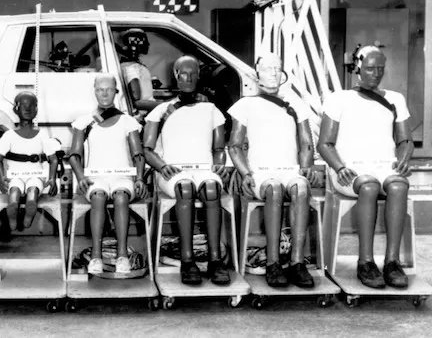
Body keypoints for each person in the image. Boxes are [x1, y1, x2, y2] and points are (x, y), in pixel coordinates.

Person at [317, 45, 413, 289]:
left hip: (384, 166)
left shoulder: (395, 99)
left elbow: (405, 140)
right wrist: (339, 167)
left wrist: (403, 159)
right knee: (369, 186)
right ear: (358, 67)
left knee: (399, 186)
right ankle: (365, 262)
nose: (376, 74)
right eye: (370, 68)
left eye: (380, 68)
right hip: (350, 169)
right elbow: (324, 144)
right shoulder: (339, 99)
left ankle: (392, 262)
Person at [228, 53, 318, 288]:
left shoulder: (295, 103)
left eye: (277, 68)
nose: (273, 73)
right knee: (274, 189)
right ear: (257, 74)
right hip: (261, 172)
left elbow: (306, 143)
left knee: (301, 188)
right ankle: (273, 263)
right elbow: (234, 146)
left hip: (289, 169)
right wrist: (246, 173)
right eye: (268, 69)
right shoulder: (245, 105)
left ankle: (297, 263)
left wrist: (306, 167)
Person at [143, 55, 230, 285]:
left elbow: (219, 148)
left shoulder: (211, 109)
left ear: (199, 76)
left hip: (204, 169)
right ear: (176, 75)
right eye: (184, 74)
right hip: (172, 172)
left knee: (211, 188)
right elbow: (147, 150)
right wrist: (162, 166)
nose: (188, 78)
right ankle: (187, 260)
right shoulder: (161, 110)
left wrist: (219, 164)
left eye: (193, 74)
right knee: (185, 188)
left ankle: (215, 260)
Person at [69, 74, 148, 274]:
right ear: (94, 92)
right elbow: (74, 156)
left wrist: (139, 178)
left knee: (121, 197)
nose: (104, 94)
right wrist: (81, 177)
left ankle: (122, 255)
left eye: (109, 89)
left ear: (116, 91)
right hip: (96, 178)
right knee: (98, 196)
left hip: (122, 177)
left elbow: (138, 154)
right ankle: (96, 256)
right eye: (100, 89)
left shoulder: (128, 121)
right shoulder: (84, 122)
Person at [0, 92, 59, 230]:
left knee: (33, 191)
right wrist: (1, 178)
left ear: (36, 109)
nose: (27, 109)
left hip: (36, 175)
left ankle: (29, 213)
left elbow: (53, 159)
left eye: (31, 105)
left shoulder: (42, 135)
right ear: (16, 109)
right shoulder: (9, 135)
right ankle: (12, 214)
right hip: (15, 176)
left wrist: (52, 178)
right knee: (14, 192)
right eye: (23, 105)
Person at [119, 29, 160, 115]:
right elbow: (137, 101)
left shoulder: (131, 66)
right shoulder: (131, 68)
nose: (148, 44)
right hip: (143, 115)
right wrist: (163, 106)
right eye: (145, 41)